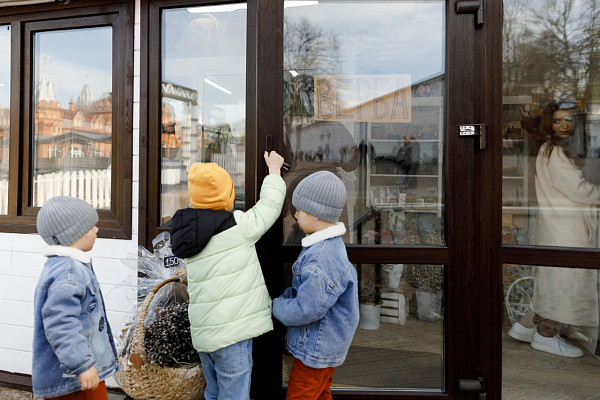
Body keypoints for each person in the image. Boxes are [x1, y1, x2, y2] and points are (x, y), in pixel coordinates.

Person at [169, 151, 286, 400]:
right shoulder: (238, 226)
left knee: (213, 392)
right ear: (228, 195)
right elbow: (269, 207)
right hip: (233, 336)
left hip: (204, 336)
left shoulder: (187, 233)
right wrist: (274, 172)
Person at [509, 101, 600, 357]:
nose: (564, 126)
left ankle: (526, 326)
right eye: (558, 121)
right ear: (549, 124)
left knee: (553, 279)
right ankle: (546, 334)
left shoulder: (548, 150)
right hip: (566, 228)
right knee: (564, 282)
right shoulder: (555, 152)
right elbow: (577, 189)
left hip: (557, 226)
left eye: (568, 120)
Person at [273, 171, 360, 400]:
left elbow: (306, 308)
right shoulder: (332, 246)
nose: (295, 215)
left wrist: (275, 306)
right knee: (321, 393)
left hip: (314, 350)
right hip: (327, 347)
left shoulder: (319, 260)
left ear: (315, 213)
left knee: (300, 395)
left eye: (299, 210)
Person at [33, 196, 119, 400]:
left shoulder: (69, 266)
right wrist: (82, 365)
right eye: (90, 227)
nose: (96, 229)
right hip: (75, 379)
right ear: (73, 234)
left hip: (85, 370)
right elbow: (61, 323)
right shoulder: (68, 272)